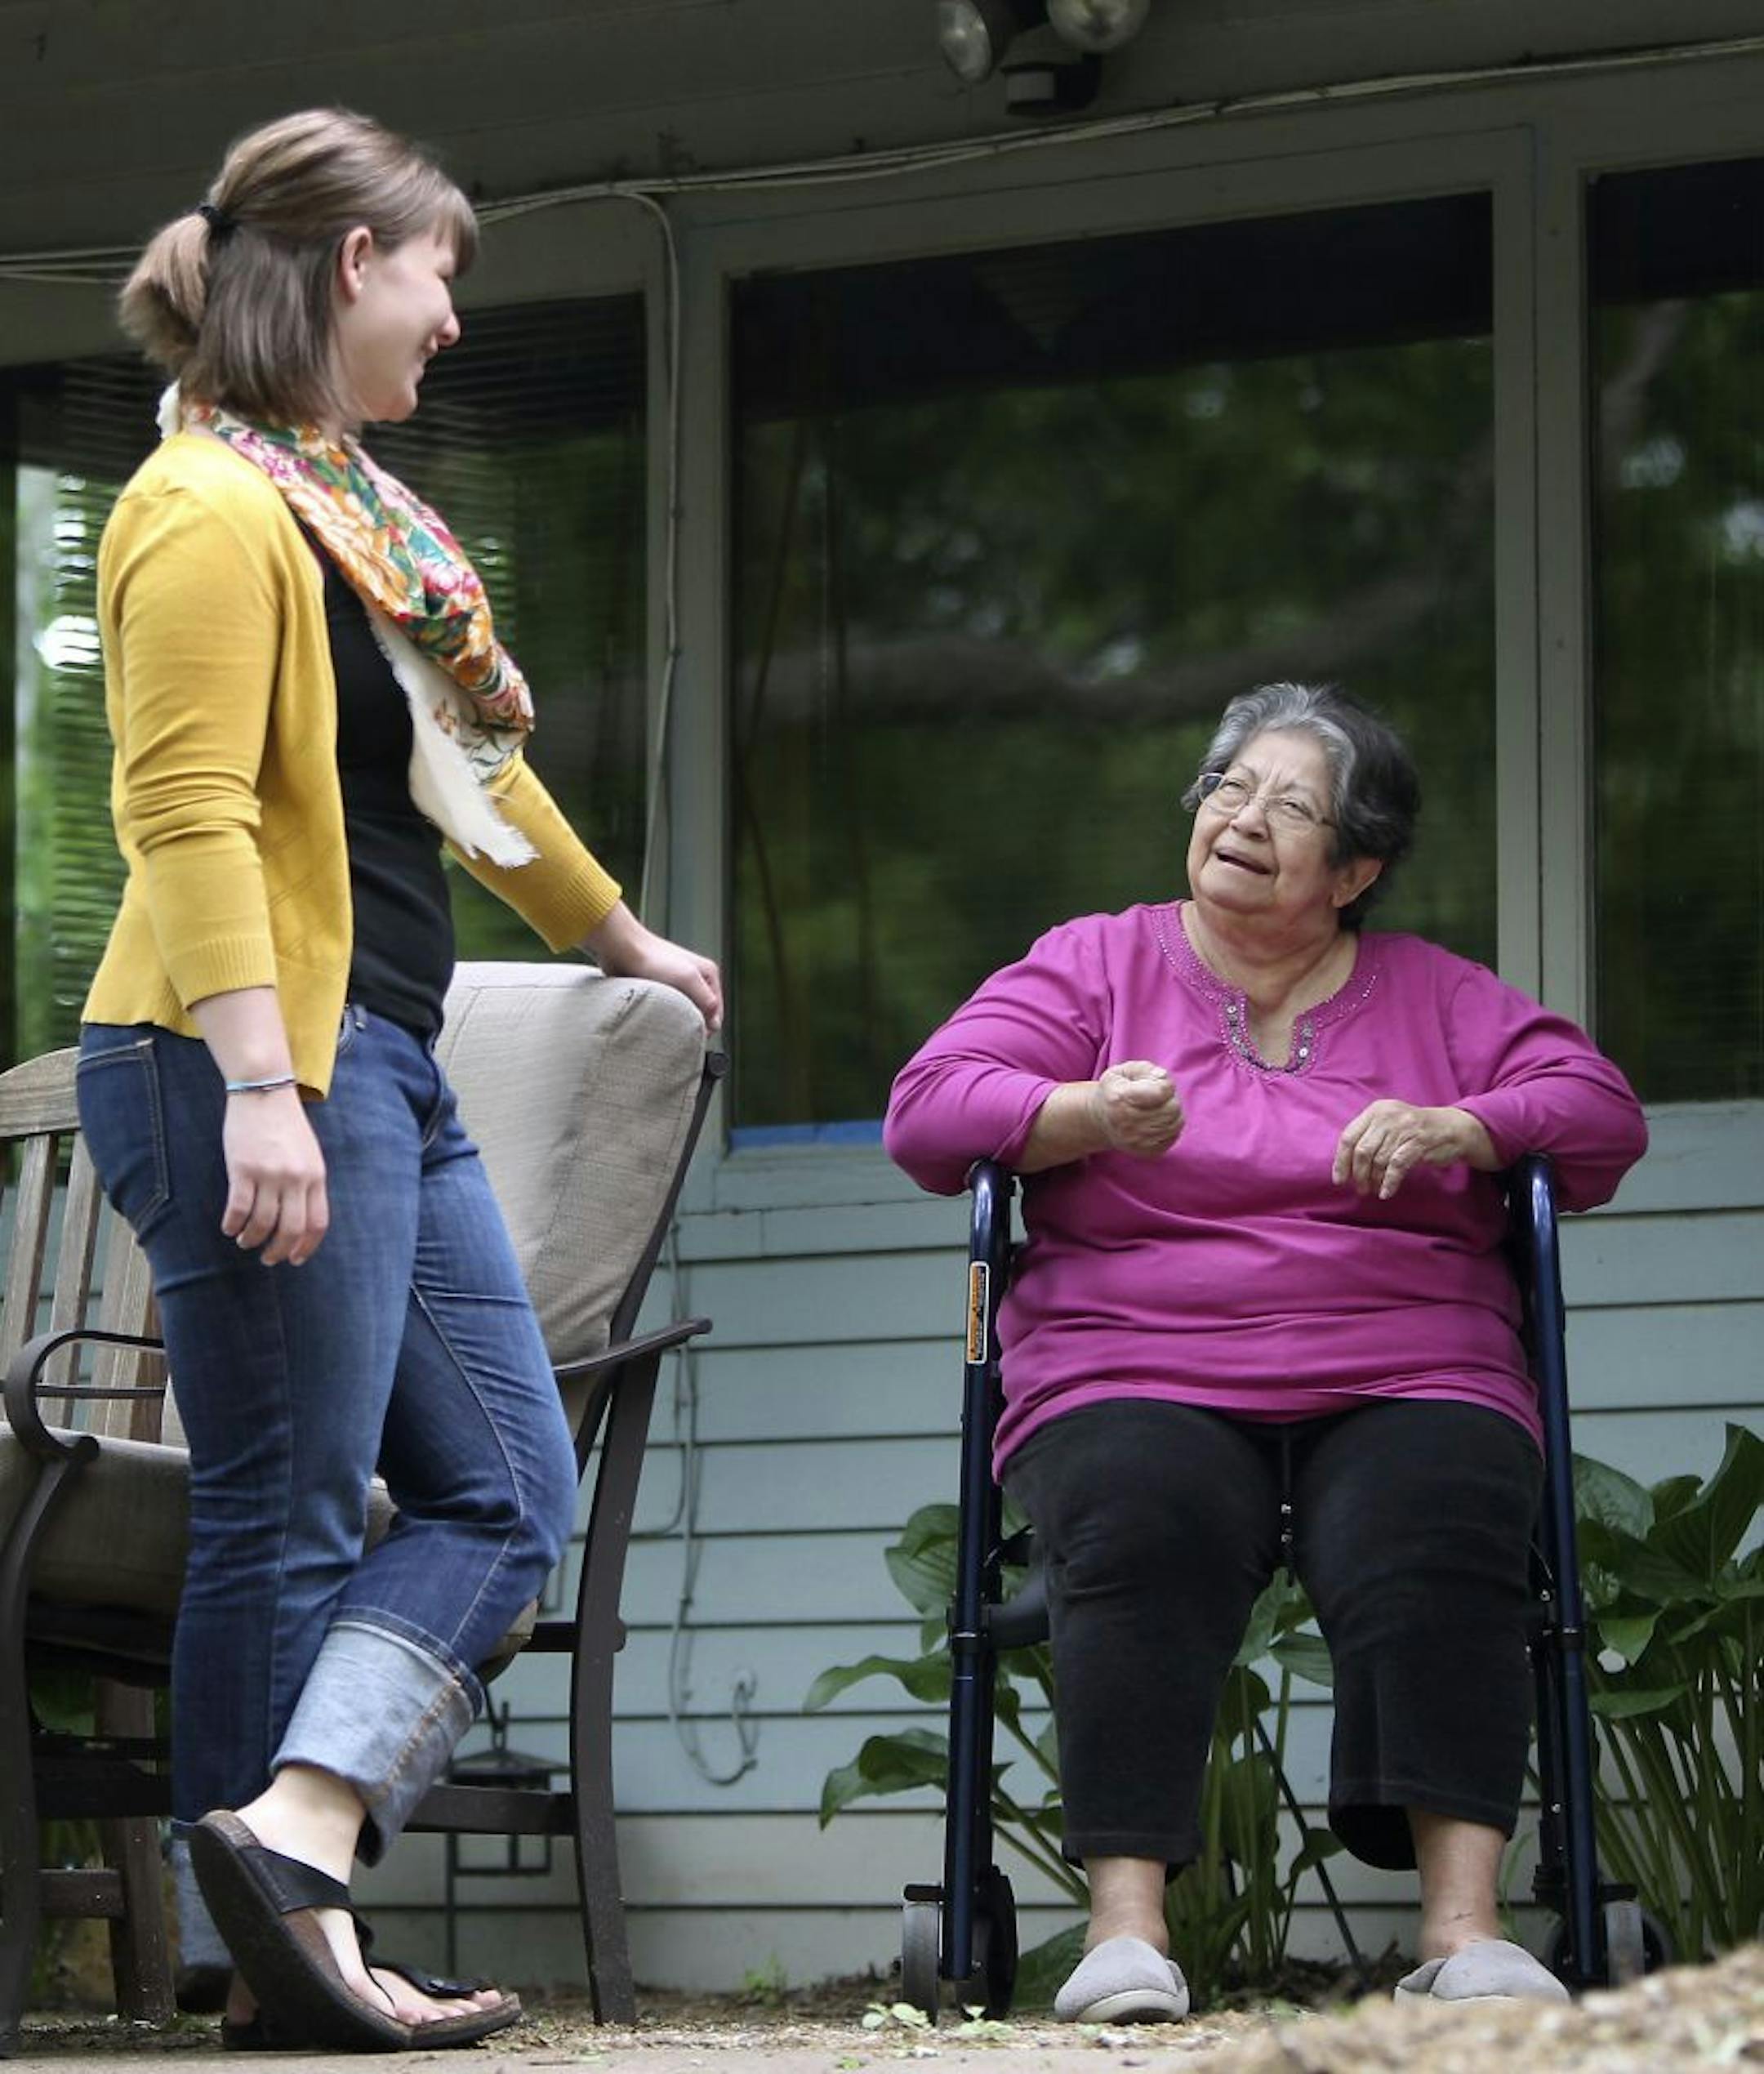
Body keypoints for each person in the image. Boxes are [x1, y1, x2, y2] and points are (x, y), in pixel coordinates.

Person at [74, 109, 721, 2053]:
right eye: (441, 272)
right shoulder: (206, 509)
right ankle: (276, 1961)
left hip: (381, 1060)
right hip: (243, 1056)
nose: (452, 318)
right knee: (288, 1504)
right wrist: (261, 1083)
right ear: (355, 261)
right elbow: (179, 806)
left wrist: (621, 939)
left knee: (508, 1487)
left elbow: (473, 773)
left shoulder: (342, 514)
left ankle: (288, 1857)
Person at [883, 682, 1646, 2023]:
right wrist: (1079, 1110)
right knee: (1137, 1506)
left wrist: (1464, 1128)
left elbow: (1596, 1116)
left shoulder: (1437, 997)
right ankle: (1128, 1936)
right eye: (1230, 788)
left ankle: (1463, 1936)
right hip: (1134, 1361)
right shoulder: (1096, 966)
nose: (1245, 817)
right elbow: (930, 1113)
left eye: (1293, 805)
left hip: (1406, 1363)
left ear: (1354, 869)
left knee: (1443, 1504)